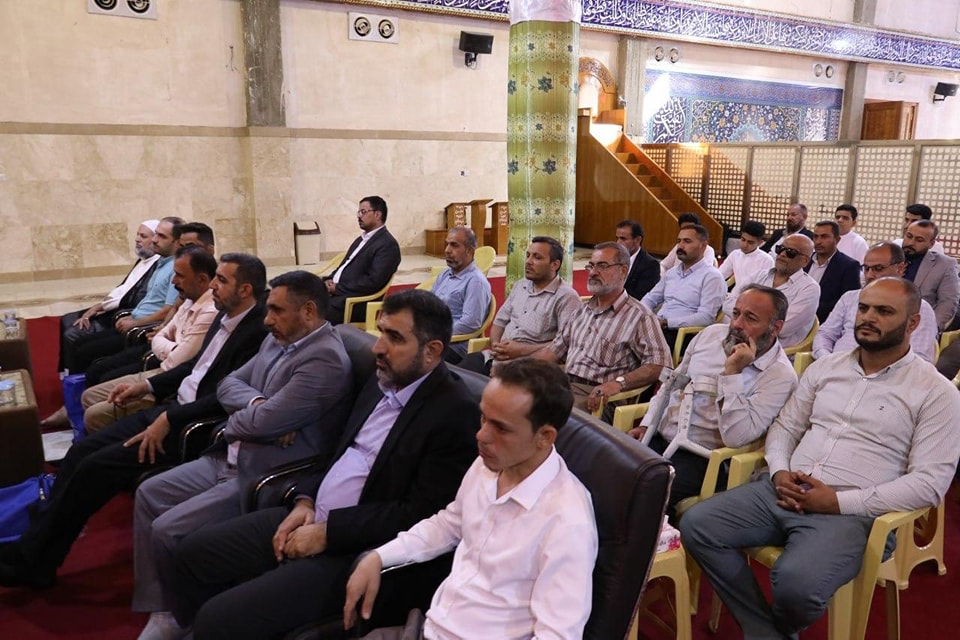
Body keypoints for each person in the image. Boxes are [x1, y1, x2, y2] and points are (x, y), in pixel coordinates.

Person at [168, 290, 481, 640]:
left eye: (394, 338)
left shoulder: (454, 413)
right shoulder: (382, 380)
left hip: (354, 548)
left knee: (218, 620)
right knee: (191, 554)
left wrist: (328, 533)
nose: (378, 348)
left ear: (432, 351)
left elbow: (419, 514)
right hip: (309, 513)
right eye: (380, 332)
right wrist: (305, 501)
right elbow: (336, 453)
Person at [679, 277, 960, 640]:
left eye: (884, 311)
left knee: (796, 586)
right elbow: (785, 428)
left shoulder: (935, 392)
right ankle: (765, 631)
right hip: (783, 489)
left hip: (852, 513)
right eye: (863, 308)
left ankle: (770, 629)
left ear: (912, 323)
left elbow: (929, 484)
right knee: (698, 525)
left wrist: (838, 502)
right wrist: (779, 471)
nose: (868, 317)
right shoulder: (826, 368)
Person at [0, 254, 269, 590]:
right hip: (171, 409)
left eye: (222, 280)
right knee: (81, 451)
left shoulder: (257, 332)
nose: (213, 285)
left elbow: (222, 396)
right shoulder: (225, 316)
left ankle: (35, 560)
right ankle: (37, 542)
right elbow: (194, 368)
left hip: (190, 426)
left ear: (245, 290)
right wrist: (147, 386)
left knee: (94, 468)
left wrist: (170, 417)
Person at [134, 270, 354, 640]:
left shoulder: (325, 360)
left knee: (166, 530)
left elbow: (257, 424)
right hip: (233, 454)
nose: (266, 319)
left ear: (309, 311)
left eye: (277, 310)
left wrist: (244, 422)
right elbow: (227, 385)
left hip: (265, 472)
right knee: (147, 493)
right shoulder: (278, 337)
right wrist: (256, 405)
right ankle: (161, 605)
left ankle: (182, 619)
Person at [343, 359, 598, 640]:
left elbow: (557, 634)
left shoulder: (568, 521)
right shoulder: (488, 465)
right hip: (428, 628)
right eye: (483, 418)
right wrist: (379, 556)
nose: (481, 435)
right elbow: (448, 525)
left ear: (545, 436)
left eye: (501, 428)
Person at [629, 285, 796, 516]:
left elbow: (736, 437)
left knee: (643, 496)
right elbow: (671, 385)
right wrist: (647, 424)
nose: (737, 324)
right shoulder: (710, 335)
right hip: (658, 436)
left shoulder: (780, 375)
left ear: (775, 327)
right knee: (607, 470)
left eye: (750, 318)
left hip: (704, 459)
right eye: (736, 313)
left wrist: (733, 374)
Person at [80, 246, 220, 433]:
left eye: (180, 276)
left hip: (171, 382)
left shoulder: (211, 310)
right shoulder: (189, 299)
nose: (173, 281)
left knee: (94, 415)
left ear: (202, 279)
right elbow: (160, 336)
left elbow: (179, 360)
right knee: (88, 396)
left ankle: (118, 441)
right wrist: (172, 346)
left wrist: (166, 344)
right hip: (160, 366)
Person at [44, 219, 162, 427]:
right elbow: (123, 290)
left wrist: (107, 311)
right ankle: (68, 384)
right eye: (138, 234)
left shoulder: (161, 265)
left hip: (128, 319)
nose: (137, 239)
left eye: (144, 236)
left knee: (75, 336)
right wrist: (97, 307)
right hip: (125, 314)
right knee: (67, 321)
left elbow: (147, 304)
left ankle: (73, 398)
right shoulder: (145, 261)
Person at [537, 242, 672, 416]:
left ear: (623, 271)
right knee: (516, 403)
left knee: (546, 415)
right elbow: (553, 351)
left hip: (600, 399)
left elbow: (660, 364)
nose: (593, 272)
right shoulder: (582, 311)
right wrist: (518, 371)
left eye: (602, 266)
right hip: (564, 387)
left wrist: (618, 383)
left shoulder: (640, 317)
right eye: (591, 266)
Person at [64, 216, 184, 374]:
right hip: (132, 320)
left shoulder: (176, 268)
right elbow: (144, 298)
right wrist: (130, 315)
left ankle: (77, 385)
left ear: (177, 242)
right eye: (155, 234)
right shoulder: (160, 263)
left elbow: (167, 310)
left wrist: (135, 322)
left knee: (86, 355)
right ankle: (69, 381)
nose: (155, 240)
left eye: (162, 236)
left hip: (141, 330)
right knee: (78, 342)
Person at [460, 236, 580, 375]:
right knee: (454, 377)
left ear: (555, 265)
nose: (528, 261)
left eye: (537, 257)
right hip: (494, 357)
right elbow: (500, 322)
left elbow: (564, 345)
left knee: (473, 385)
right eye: (528, 255)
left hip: (529, 367)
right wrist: (496, 346)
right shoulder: (520, 286)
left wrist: (521, 350)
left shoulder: (566, 297)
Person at [814, 242, 937, 363]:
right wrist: (826, 359)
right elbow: (825, 334)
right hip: (836, 366)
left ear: (900, 268)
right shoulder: (850, 298)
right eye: (866, 268)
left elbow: (921, 358)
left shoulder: (919, 307)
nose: (870, 275)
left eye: (878, 269)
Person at [724, 234, 819, 350]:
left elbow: (783, 328)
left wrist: (742, 314)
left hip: (774, 351)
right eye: (780, 249)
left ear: (805, 261)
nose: (782, 254)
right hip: (738, 339)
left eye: (791, 252)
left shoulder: (809, 289)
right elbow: (727, 303)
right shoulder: (759, 275)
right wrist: (753, 318)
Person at [641, 224, 726, 348]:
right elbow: (650, 299)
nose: (680, 246)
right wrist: (646, 316)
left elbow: (706, 317)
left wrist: (667, 322)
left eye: (687, 241)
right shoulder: (672, 273)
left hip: (683, 334)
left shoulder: (712, 277)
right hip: (658, 327)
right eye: (679, 241)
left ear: (703, 246)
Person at [322, 196, 402, 325]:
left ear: (377, 214)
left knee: (308, 312)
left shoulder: (388, 245)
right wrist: (329, 280)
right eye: (358, 212)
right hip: (337, 293)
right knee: (301, 293)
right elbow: (344, 266)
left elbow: (373, 281)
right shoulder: (361, 240)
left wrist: (338, 288)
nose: (359, 216)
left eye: (363, 212)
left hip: (354, 302)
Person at [430, 226, 492, 363]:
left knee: (410, 358)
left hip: (455, 345)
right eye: (447, 244)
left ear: (469, 251)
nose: (447, 250)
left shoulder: (475, 282)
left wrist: (436, 333)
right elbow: (429, 305)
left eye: (454, 245)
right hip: (435, 337)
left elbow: (470, 323)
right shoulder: (445, 274)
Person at [902, 219, 959, 331]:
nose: (911, 243)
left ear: (931, 244)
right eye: (909, 236)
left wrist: (931, 328)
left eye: (919, 240)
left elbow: (948, 302)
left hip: (920, 325)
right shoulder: (890, 257)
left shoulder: (945, 265)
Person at [805, 220, 861, 322]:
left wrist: (809, 310)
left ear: (837, 239)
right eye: (816, 237)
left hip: (826, 321)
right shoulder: (804, 260)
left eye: (824, 237)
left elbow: (848, 302)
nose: (818, 241)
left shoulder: (849, 266)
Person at [718, 220, 773, 287]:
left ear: (760, 243)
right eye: (743, 240)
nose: (745, 245)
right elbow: (720, 275)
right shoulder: (735, 255)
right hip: (736, 292)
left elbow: (767, 286)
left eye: (750, 242)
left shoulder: (767, 260)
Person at [615, 219, 660, 300]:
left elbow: (640, 297)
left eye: (623, 239)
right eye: (617, 238)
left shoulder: (650, 265)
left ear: (638, 240)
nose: (618, 242)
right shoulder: (613, 258)